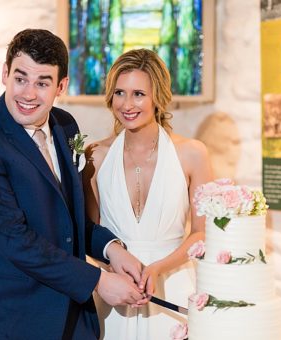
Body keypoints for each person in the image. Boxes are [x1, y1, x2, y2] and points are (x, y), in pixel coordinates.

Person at [0, 29, 146, 339]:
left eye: (42, 83)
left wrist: (111, 249)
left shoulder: (65, 125)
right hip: (8, 321)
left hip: (71, 318)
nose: (28, 94)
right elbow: (16, 241)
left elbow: (68, 218)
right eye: (20, 78)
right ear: (5, 73)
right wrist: (98, 281)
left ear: (61, 86)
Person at [82, 48, 212, 338]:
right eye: (119, 93)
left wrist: (157, 269)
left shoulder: (192, 154)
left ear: (158, 97)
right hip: (115, 295)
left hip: (173, 289)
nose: (127, 104)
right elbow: (91, 233)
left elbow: (202, 233)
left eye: (139, 94)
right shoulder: (95, 157)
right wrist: (115, 275)